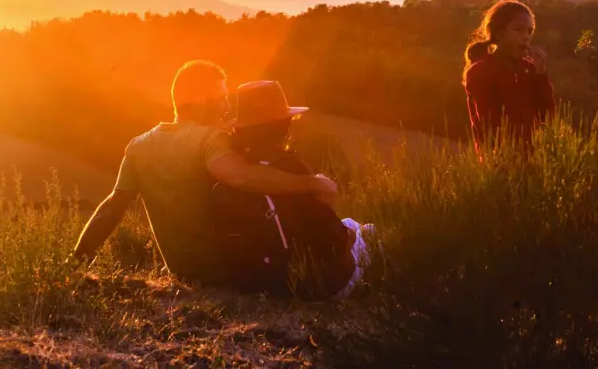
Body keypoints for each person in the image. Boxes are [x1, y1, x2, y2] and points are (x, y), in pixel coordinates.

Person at [70, 60, 339, 287]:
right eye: (222, 98)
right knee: (362, 233)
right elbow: (243, 177)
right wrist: (312, 183)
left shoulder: (139, 146)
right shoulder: (210, 140)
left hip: (181, 273)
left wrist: (76, 262)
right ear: (200, 99)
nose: (226, 106)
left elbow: (111, 209)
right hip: (227, 273)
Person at [210, 80, 374, 300]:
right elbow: (332, 238)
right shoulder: (291, 170)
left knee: (353, 224)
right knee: (369, 233)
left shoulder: (240, 172)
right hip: (316, 285)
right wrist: (350, 235)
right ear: (284, 124)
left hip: (266, 287)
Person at [462, 0, 556, 157]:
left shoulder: (529, 69)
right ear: (498, 33)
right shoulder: (481, 71)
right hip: (500, 163)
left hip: (534, 161)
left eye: (529, 31)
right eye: (518, 30)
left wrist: (541, 76)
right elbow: (489, 125)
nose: (526, 37)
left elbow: (547, 117)